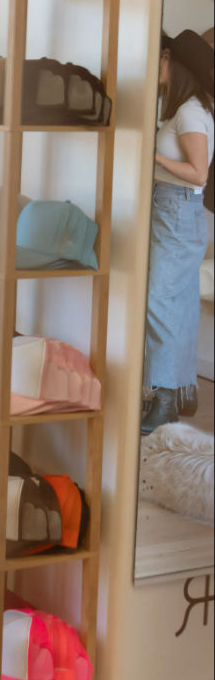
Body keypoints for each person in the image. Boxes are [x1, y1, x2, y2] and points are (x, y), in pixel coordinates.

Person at [142, 29, 215, 435]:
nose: (156, 68)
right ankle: (180, 392)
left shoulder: (190, 113)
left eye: (162, 60)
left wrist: (150, 155)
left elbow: (199, 173)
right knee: (178, 303)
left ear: (175, 63)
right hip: (174, 213)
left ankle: (164, 398)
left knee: (161, 303)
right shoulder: (186, 109)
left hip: (177, 211)